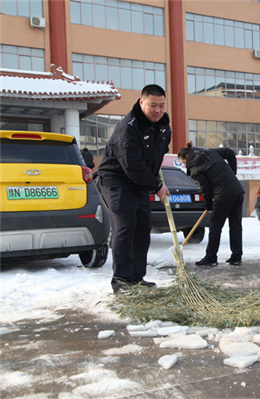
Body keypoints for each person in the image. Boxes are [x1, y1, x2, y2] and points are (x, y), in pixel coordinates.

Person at [97, 84, 171, 293]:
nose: (157, 110)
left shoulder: (163, 125)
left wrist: (154, 175)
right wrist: (157, 186)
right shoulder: (128, 128)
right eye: (152, 105)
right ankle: (121, 281)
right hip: (118, 181)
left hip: (139, 183)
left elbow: (159, 151)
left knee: (142, 230)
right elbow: (132, 165)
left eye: (161, 105)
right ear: (141, 102)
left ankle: (136, 278)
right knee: (125, 229)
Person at [177, 143, 245, 266]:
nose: (184, 165)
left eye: (183, 162)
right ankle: (236, 256)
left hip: (223, 193)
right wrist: (232, 173)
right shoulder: (210, 152)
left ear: (186, 157)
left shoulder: (195, 168)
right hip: (237, 189)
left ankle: (211, 257)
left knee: (215, 226)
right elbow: (229, 152)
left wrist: (208, 205)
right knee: (235, 224)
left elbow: (205, 189)